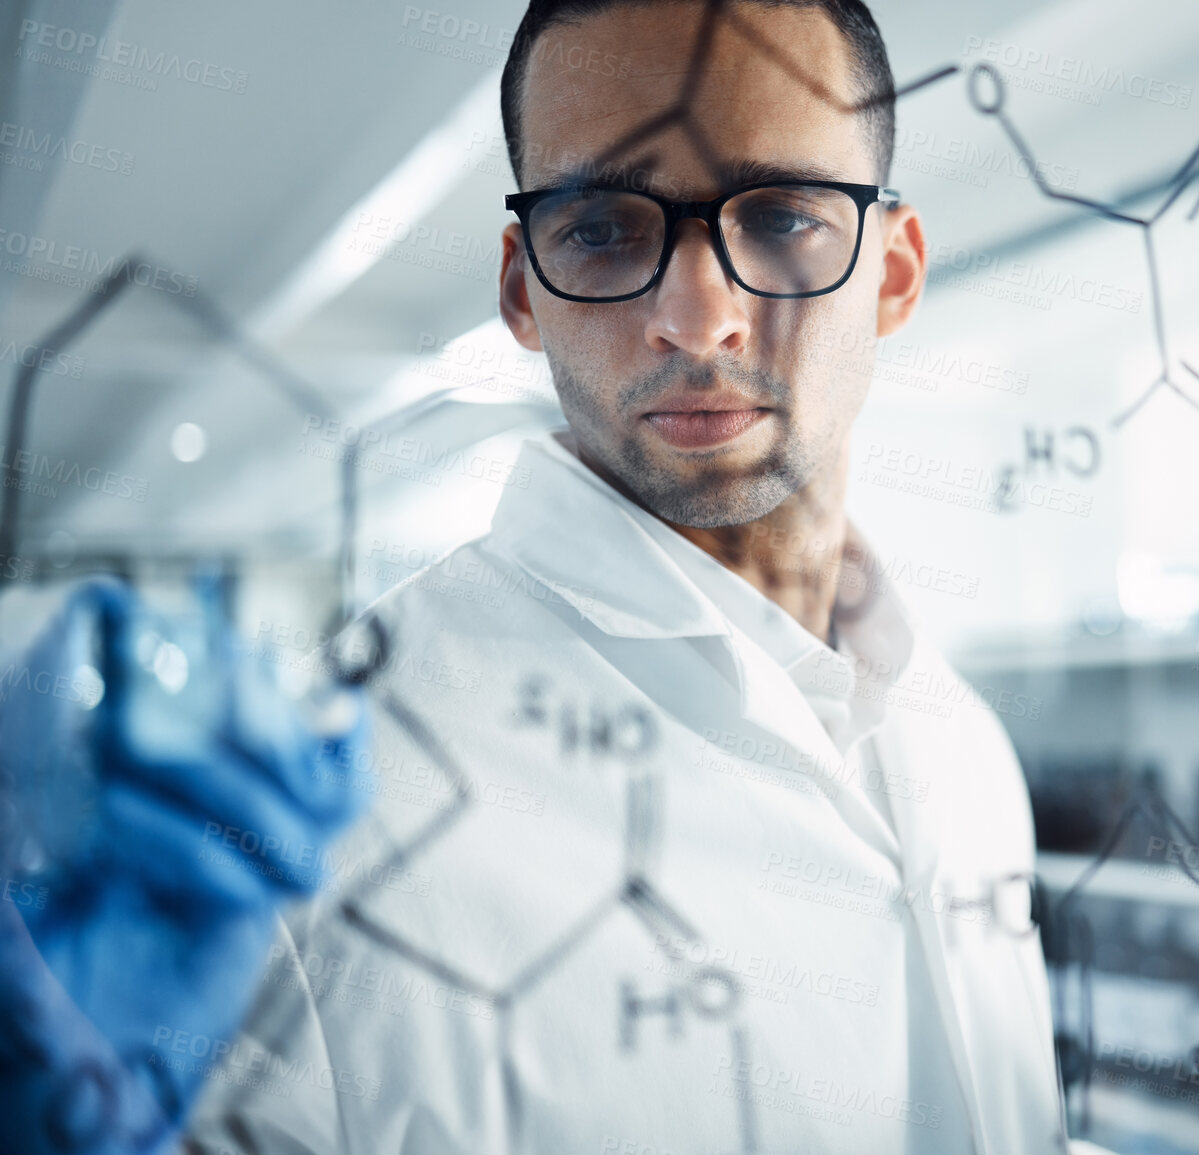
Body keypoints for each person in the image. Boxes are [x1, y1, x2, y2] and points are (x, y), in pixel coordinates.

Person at [178, 1, 1073, 1151]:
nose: (696, 317)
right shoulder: (307, 821)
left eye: (784, 216)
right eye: (602, 228)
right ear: (521, 289)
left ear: (894, 275)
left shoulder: (960, 746)